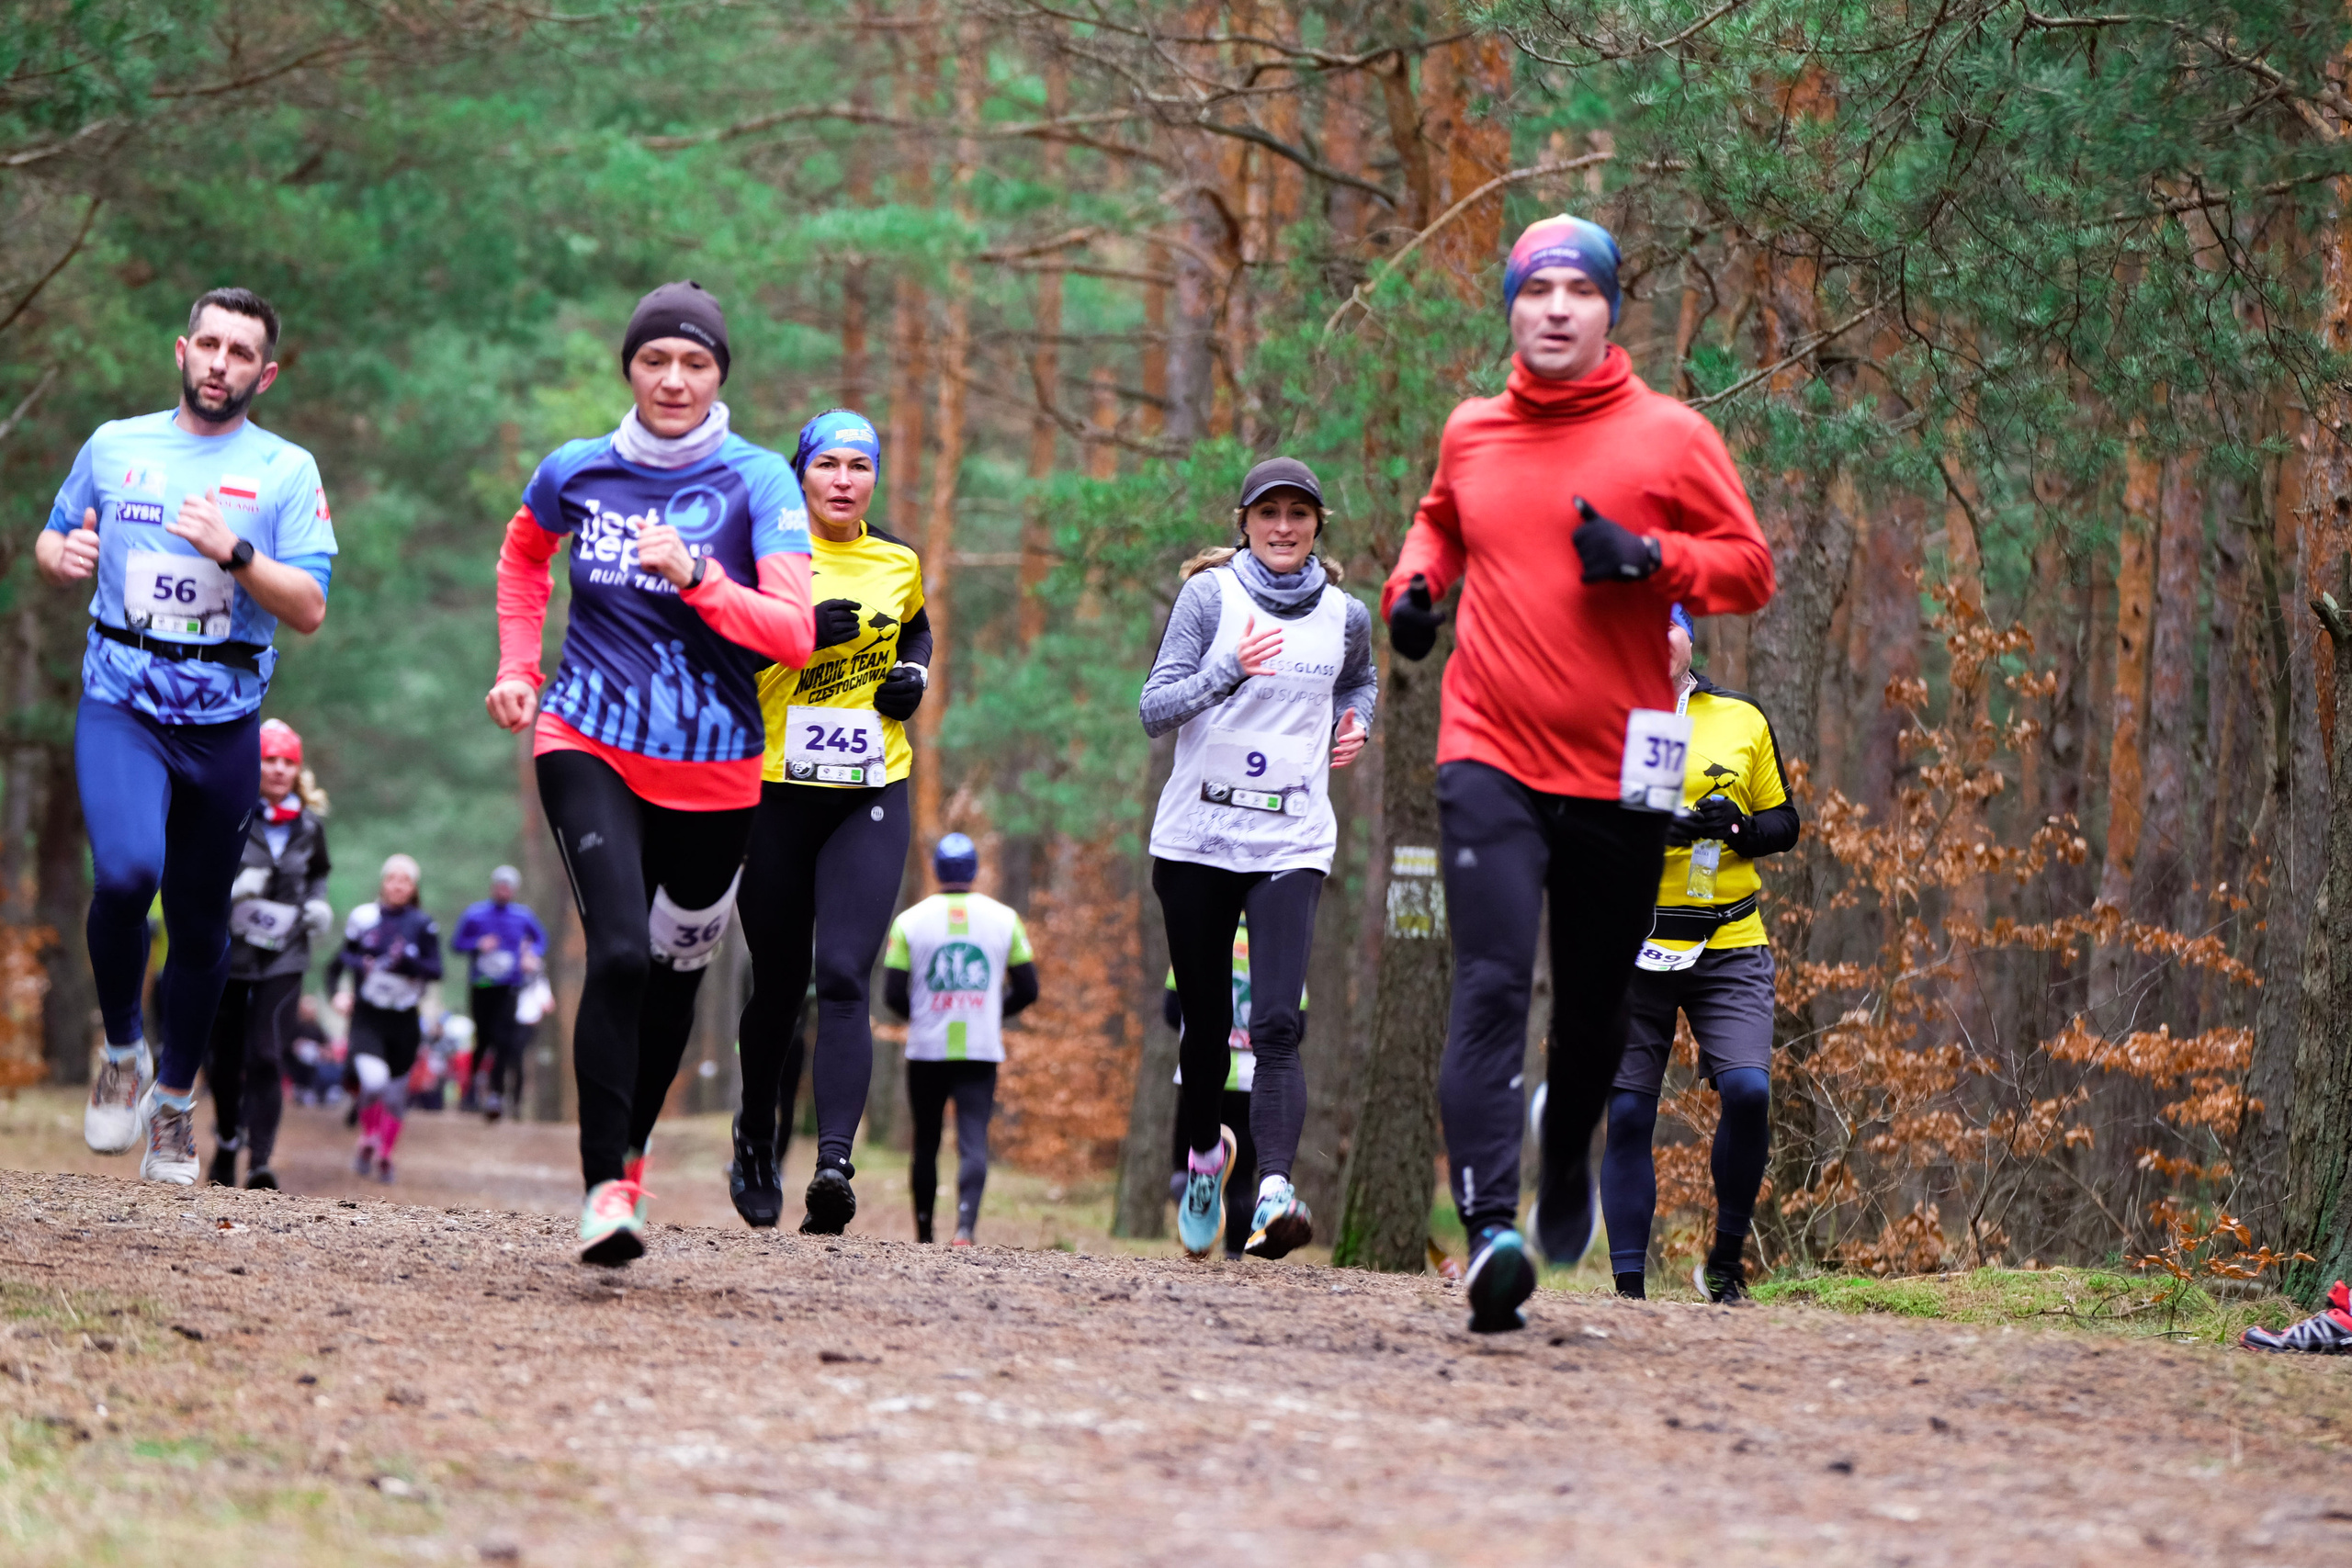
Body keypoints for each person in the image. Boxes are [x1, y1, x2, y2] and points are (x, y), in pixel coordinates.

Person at [1383, 214, 1775, 1332]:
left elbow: (1751, 568)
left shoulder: (1671, 436)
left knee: (1596, 1009)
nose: (1555, 307)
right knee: (1493, 982)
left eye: (1578, 290)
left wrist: (1655, 559)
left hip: (1624, 768)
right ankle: (1488, 1233)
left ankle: (1565, 1162)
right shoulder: (1472, 430)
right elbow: (1438, 525)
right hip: (1488, 749)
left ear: (1609, 311)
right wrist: (1414, 589)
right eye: (1535, 289)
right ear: (1511, 308)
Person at [486, 280, 815, 1263]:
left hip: (717, 772)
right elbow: (521, 558)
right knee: (620, 954)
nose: (673, 379)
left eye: (695, 363)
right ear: (628, 369)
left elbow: (794, 636)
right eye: (655, 360)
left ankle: (630, 1159)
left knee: (673, 979)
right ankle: (602, 1193)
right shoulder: (576, 471)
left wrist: (701, 580)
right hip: (587, 739)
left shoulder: (760, 482)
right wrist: (517, 666)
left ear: (719, 376)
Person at [38, 286, 336, 1186]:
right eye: (208, 344)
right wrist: (66, 558)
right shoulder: (115, 444)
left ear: (265, 373)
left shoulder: (285, 471)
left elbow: (311, 608)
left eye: (240, 352)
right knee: (126, 872)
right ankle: (124, 1048)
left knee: (203, 922)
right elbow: (53, 541)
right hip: (120, 699)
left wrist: (235, 554)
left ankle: (173, 1107)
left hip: (223, 721)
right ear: (181, 350)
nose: (219, 363)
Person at [1143, 457, 1376, 1260]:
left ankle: (1274, 1187)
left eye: (1300, 515)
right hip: (1197, 840)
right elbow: (1154, 707)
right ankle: (1207, 1161)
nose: (1284, 527)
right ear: (1243, 520)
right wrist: (1226, 671)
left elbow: (1362, 680)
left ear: (1318, 526)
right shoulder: (1209, 597)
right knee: (1207, 1026)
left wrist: (1357, 720)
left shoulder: (1347, 614)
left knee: (1276, 1023)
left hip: (1292, 840)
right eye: (1269, 512)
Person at [730, 408, 927, 1235]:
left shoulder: (898, 559)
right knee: (779, 981)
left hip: (870, 784)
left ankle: (834, 1164)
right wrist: (797, 639)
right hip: (771, 787)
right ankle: (755, 1133)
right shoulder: (759, 556)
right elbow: (717, 650)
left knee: (844, 972)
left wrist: (913, 672)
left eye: (860, 466)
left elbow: (914, 625)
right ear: (800, 473)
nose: (845, 481)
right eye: (829, 466)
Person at [1597, 604, 1798, 1303]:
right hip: (1631, 943)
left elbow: (1786, 821)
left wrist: (1739, 827)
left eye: (1669, 625)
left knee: (1748, 1091)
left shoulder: (1741, 718)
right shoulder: (1603, 715)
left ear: (1689, 637)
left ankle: (1725, 1262)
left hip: (1729, 939)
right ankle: (1628, 1291)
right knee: (1628, 1113)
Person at [881, 833, 1039, 1246]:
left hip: (926, 1049)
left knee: (926, 1141)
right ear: (975, 870)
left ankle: (925, 1232)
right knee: (973, 1139)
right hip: (980, 1048)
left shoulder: (909, 922)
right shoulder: (1006, 919)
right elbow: (1028, 987)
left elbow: (892, 993)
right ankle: (965, 1229)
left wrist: (927, 1013)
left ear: (935, 870)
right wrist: (989, 1011)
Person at [205, 716, 333, 1190]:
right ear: (254, 765)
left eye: (287, 762)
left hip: (286, 952)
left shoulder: (309, 826)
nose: (278, 770)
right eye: (270, 760)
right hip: (231, 952)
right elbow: (197, 874)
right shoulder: (229, 812)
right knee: (226, 1055)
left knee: (266, 1054)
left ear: (298, 771)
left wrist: (318, 903)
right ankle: (226, 1140)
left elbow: (319, 871)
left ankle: (259, 1162)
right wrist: (234, 889)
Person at [1162, 917, 1308, 1259]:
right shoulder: (1280, 948)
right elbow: (1296, 1025)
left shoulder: (1200, 929)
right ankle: (1235, 1256)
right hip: (1254, 1080)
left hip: (1199, 1074)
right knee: (1242, 1179)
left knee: (1187, 1169)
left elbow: (1171, 1010)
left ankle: (1195, 1233)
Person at [326, 854, 442, 1182]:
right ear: (384, 882)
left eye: (405, 881)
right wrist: (338, 992)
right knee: (373, 1081)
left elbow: (437, 970)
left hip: (404, 1020)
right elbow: (339, 961)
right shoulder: (364, 918)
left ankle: (384, 1155)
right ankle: (368, 1136)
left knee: (395, 1094)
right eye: (393, 879)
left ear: (413, 887)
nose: (398, 885)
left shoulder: (422, 924)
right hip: (368, 1017)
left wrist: (410, 965)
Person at [451, 865, 548, 1121]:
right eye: (500, 885)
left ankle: (495, 1094)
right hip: (482, 986)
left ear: (514, 890)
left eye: (509, 886)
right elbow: (456, 943)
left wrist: (530, 953)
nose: (504, 890)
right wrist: (478, 944)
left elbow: (541, 940)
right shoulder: (476, 914)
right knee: (483, 1039)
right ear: (493, 887)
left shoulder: (523, 916)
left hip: (510, 986)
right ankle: (469, 1092)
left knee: (503, 1039)